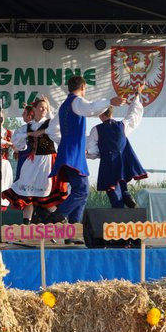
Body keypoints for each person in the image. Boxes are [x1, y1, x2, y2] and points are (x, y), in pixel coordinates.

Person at [47, 75, 125, 244]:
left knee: (79, 190)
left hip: (68, 152)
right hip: (74, 154)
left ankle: (72, 232)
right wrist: (110, 101)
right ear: (83, 87)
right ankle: (56, 216)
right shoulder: (77, 102)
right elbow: (89, 108)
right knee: (82, 190)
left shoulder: (63, 107)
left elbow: (51, 130)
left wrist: (66, 140)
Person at [4, 96, 67, 224]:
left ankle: (62, 221)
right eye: (41, 107)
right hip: (32, 162)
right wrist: (29, 134)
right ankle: (26, 224)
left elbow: (59, 133)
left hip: (48, 161)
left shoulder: (50, 124)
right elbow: (17, 143)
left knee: (47, 195)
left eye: (45, 108)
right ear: (34, 109)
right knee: (27, 194)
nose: (43, 110)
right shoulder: (27, 127)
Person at [87, 82, 147, 208]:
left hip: (108, 164)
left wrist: (95, 153)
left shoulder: (96, 129)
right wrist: (137, 94)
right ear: (111, 112)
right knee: (121, 182)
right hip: (122, 163)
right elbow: (134, 115)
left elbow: (90, 148)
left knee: (113, 193)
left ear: (100, 114)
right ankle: (126, 195)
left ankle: (120, 213)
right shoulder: (122, 126)